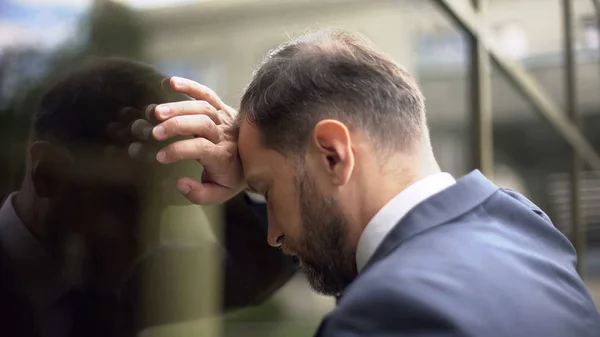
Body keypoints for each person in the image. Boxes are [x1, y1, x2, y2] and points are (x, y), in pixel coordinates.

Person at [150, 29, 600, 336]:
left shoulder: (385, 313)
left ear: (333, 153)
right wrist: (256, 169)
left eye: (268, 189)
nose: (274, 235)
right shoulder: (526, 226)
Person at [0, 57, 295, 337]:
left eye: (159, 206)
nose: (147, 233)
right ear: (47, 174)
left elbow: (262, 268)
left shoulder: (115, 275)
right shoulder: (103, 268)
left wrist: (239, 174)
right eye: (122, 201)